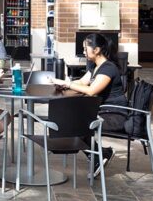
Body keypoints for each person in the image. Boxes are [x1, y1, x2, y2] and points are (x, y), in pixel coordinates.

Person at [49, 33, 125, 176]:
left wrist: (68, 83)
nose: (83, 51)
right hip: (102, 111)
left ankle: (98, 156)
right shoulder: (95, 66)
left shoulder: (108, 68)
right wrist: (65, 85)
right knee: (73, 118)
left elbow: (91, 91)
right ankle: (101, 154)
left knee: (76, 123)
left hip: (114, 114)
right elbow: (83, 82)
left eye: (85, 48)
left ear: (96, 50)